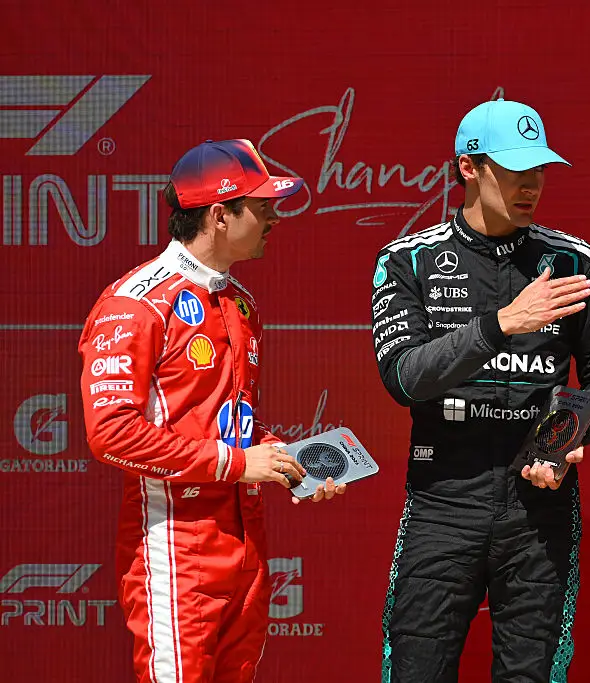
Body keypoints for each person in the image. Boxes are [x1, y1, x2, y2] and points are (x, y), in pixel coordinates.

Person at [372, 99, 590, 682]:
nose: (532, 185)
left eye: (540, 169)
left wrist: (565, 433)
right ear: (469, 167)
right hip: (442, 502)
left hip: (541, 505)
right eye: (515, 170)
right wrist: (500, 325)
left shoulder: (574, 262)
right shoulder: (407, 260)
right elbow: (404, 378)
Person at [78, 139, 345, 683]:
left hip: (245, 545)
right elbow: (110, 434)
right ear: (220, 215)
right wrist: (239, 465)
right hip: (176, 544)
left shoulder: (241, 303)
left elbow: (232, 427)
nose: (275, 217)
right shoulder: (136, 302)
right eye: (262, 205)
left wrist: (293, 465)